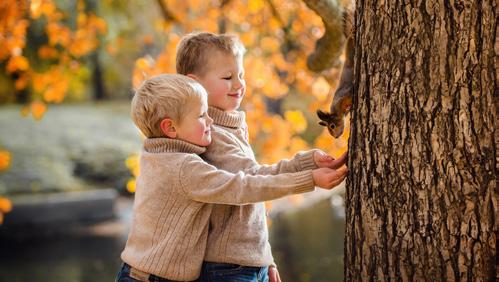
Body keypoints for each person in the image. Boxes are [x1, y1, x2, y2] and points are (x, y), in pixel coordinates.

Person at [116, 74, 347, 281]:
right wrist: (309, 180)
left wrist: (304, 164)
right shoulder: (183, 167)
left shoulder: (156, 155)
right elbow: (242, 187)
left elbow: (250, 176)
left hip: (140, 271)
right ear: (170, 128)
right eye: (201, 116)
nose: (210, 121)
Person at [176, 32, 348, 282]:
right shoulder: (209, 135)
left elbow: (253, 204)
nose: (238, 84)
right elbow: (251, 184)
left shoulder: (232, 127)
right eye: (227, 77)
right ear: (195, 84)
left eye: (241, 75)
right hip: (226, 268)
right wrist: (308, 176)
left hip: (248, 263)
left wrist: (265, 258)